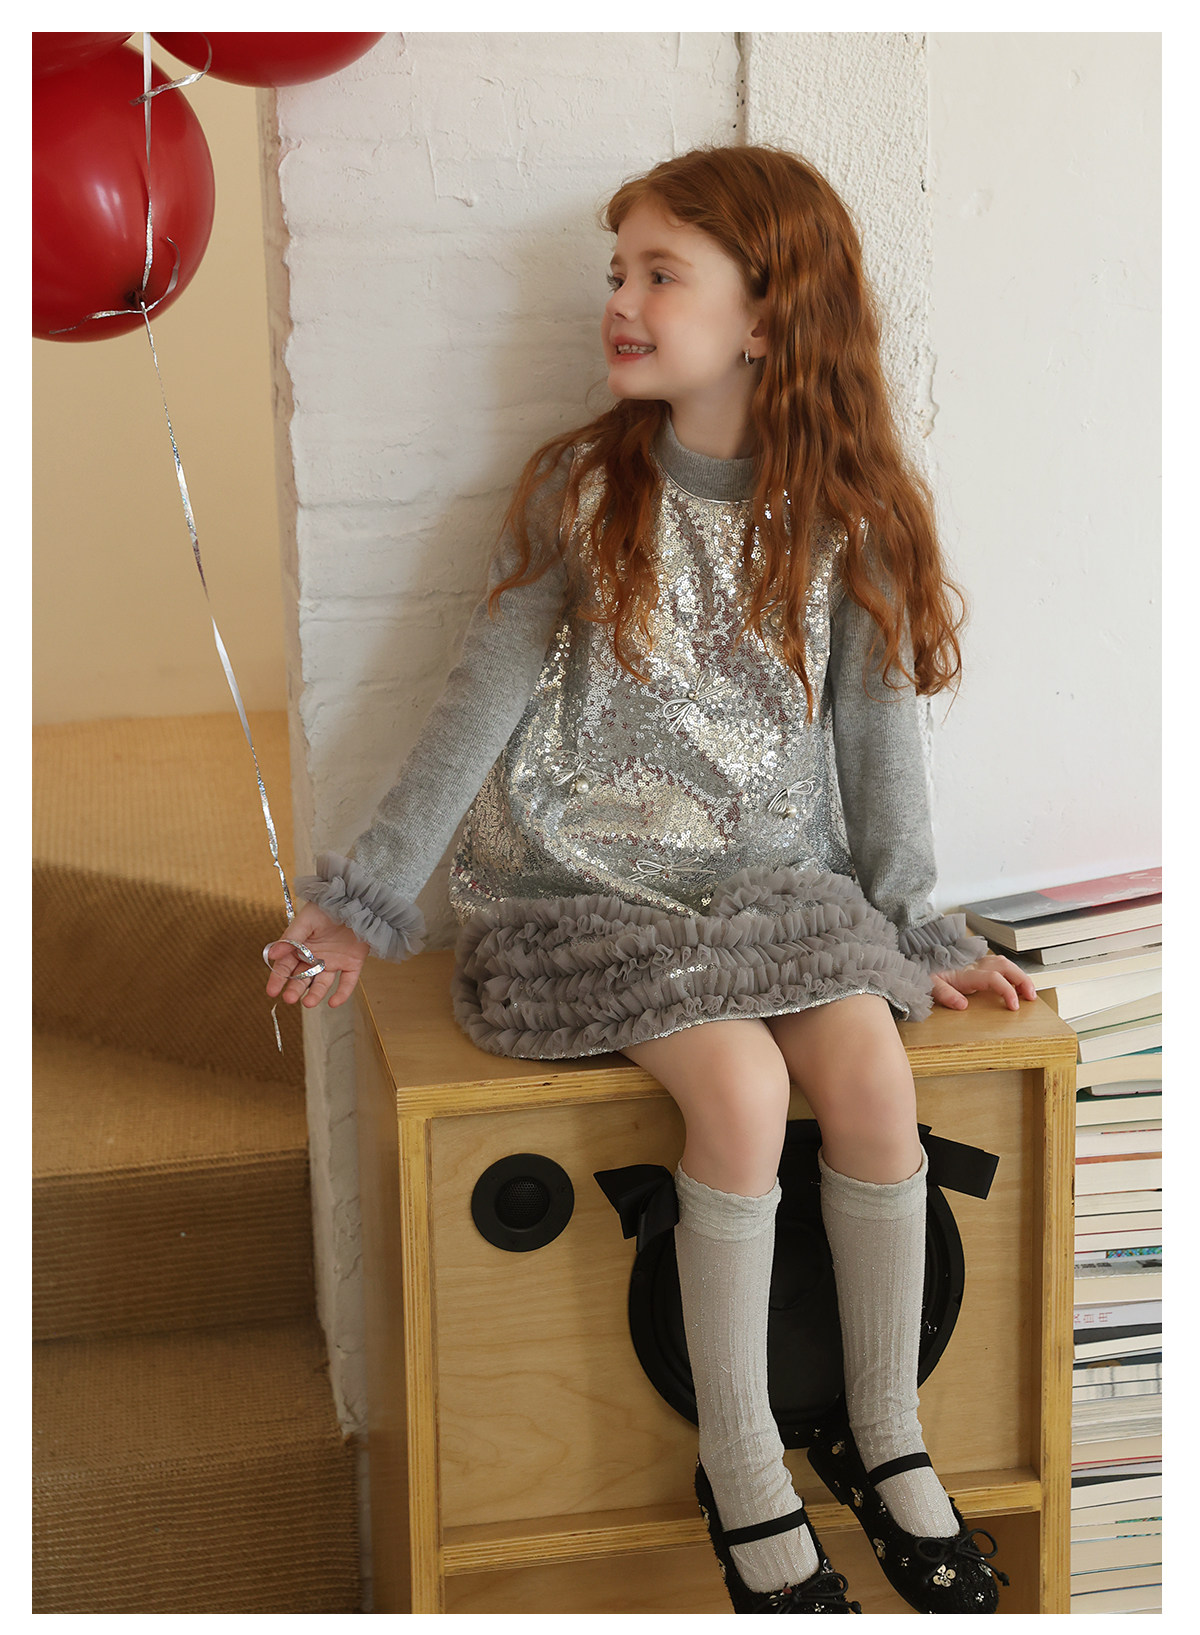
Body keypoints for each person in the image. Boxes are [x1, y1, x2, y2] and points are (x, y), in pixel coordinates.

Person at [265, 145, 1035, 1615]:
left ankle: (887, 1435)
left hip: (771, 891)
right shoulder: (583, 489)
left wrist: (918, 924)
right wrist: (366, 902)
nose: (619, 301)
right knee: (739, 1088)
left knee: (871, 1068)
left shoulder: (850, 514)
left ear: (767, 314)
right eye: (616, 272)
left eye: (659, 274)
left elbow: (877, 741)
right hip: (582, 897)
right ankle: (741, 1467)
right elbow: (478, 702)